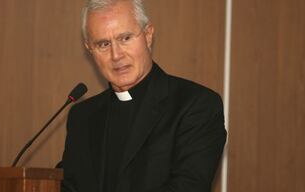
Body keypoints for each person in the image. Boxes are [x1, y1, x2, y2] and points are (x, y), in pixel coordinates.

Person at [61, 0, 227, 191]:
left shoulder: (196, 105)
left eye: (125, 38)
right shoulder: (82, 116)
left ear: (148, 35)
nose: (116, 55)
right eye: (103, 44)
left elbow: (188, 186)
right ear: (90, 49)